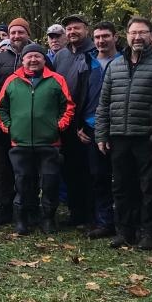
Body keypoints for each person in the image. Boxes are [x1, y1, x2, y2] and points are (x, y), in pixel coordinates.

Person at [95, 16, 152, 249]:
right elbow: (104, 102)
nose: (138, 37)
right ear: (126, 35)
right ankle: (125, 231)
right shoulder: (115, 65)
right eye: (133, 33)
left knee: (149, 187)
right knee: (122, 186)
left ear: (150, 35)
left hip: (147, 137)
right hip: (118, 136)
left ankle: (149, 233)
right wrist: (101, 134)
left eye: (143, 32)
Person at [0, 44, 74, 235]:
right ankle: (22, 219)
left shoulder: (57, 80)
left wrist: (57, 127)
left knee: (49, 182)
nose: (33, 60)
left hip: (49, 143)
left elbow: (68, 107)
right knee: (22, 182)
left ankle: (48, 219)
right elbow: (0, 109)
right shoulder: (12, 81)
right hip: (20, 143)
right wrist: (10, 128)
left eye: (37, 56)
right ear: (22, 60)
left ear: (43, 59)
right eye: (29, 56)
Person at [49, 14, 95, 228]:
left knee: (90, 172)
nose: (72, 32)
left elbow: (94, 92)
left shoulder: (94, 53)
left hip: (86, 126)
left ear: (86, 29)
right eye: (69, 29)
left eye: (77, 27)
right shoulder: (61, 57)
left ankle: (92, 216)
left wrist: (86, 124)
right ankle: (76, 214)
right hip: (65, 124)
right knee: (70, 171)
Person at [80, 21, 120, 238]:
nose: (101, 41)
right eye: (97, 37)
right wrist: (79, 124)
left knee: (123, 178)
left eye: (105, 36)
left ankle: (126, 222)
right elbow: (80, 94)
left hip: (120, 128)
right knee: (98, 176)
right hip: (92, 127)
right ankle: (103, 221)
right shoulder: (88, 62)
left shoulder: (125, 61)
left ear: (115, 37)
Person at [0, 19, 27, 224]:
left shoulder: (38, 56)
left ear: (27, 33)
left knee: (27, 170)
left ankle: (27, 209)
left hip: (29, 126)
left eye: (21, 32)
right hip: (1, 124)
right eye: (13, 32)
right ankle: (5, 208)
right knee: (2, 169)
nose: (17, 36)